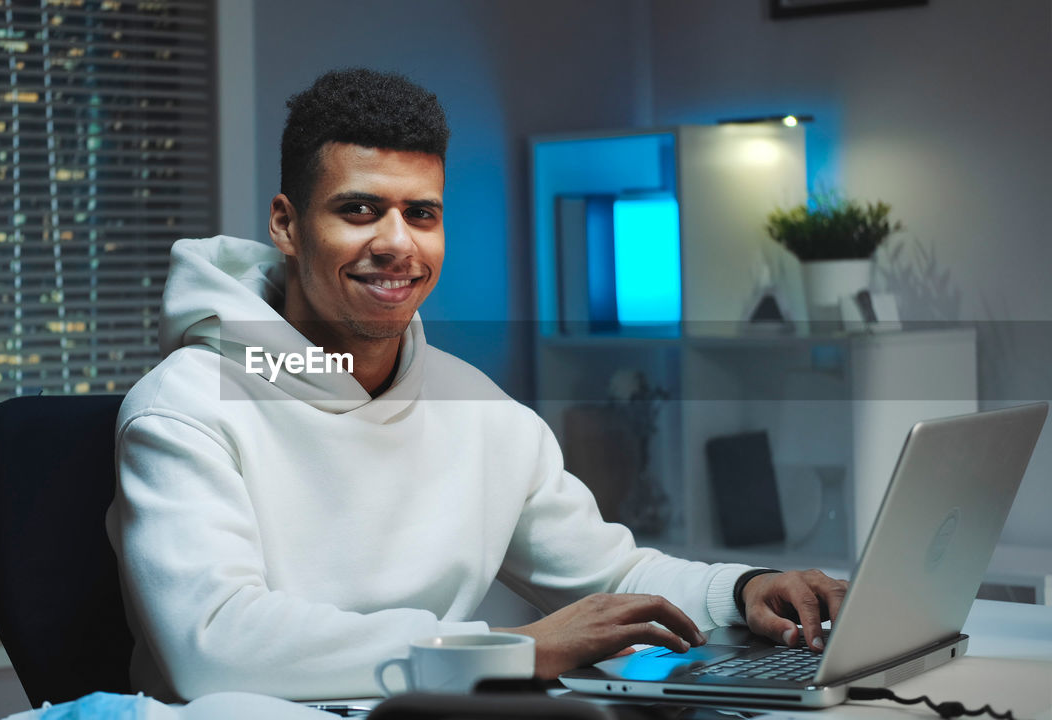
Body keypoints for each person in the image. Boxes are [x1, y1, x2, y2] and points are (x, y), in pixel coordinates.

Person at [105, 68, 847, 703]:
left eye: (420, 214)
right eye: (359, 209)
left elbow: (612, 575)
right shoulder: (189, 408)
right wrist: (508, 650)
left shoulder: (480, 410)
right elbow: (215, 647)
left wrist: (745, 589)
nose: (397, 243)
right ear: (287, 225)